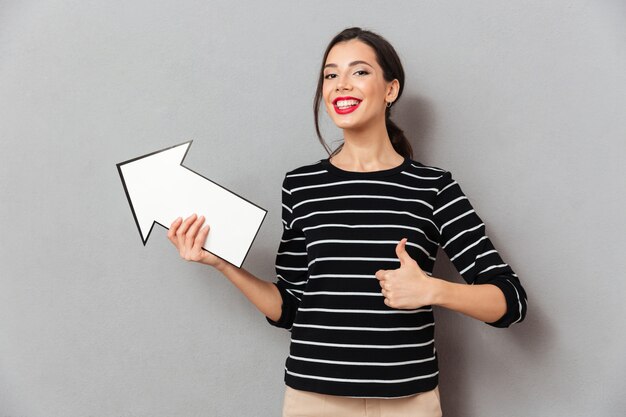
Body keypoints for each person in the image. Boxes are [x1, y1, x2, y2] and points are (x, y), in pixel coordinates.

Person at [167, 26, 527, 417]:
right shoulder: (301, 186)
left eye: (359, 72)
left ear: (391, 89)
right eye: (330, 74)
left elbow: (511, 301)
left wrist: (433, 290)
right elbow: (289, 307)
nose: (341, 85)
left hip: (408, 402)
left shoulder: (433, 188)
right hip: (313, 401)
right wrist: (220, 262)